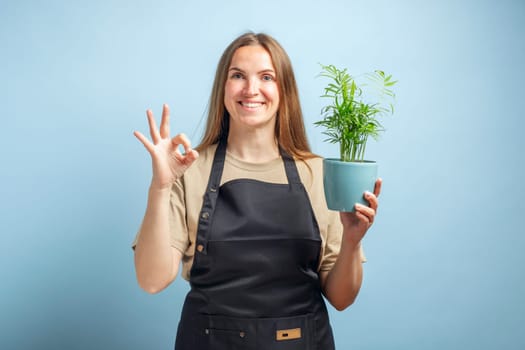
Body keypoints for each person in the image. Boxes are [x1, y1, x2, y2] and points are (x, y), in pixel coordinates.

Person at [132, 32, 381, 350]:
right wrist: (160, 186)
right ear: (223, 87)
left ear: (284, 90)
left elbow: (342, 299)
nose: (251, 90)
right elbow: (151, 281)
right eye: (238, 76)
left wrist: (351, 241)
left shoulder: (319, 173)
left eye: (267, 77)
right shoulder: (188, 169)